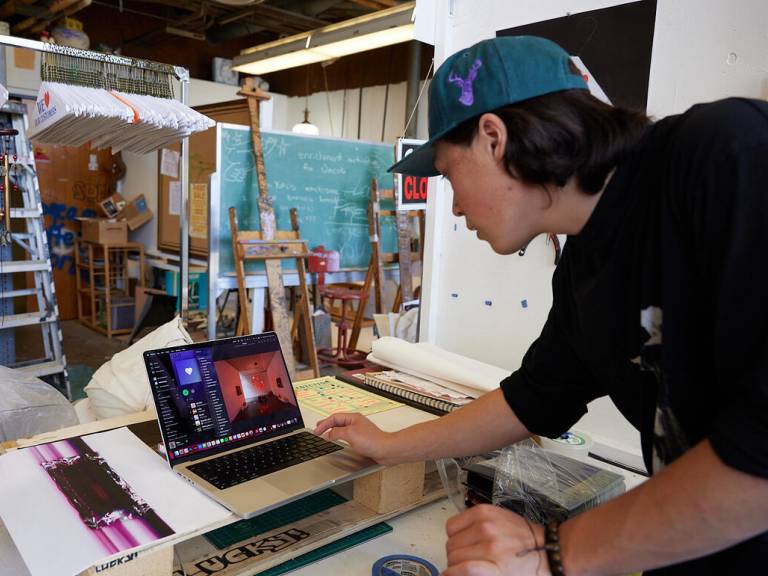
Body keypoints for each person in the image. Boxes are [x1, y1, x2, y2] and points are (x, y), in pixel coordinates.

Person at [315, 36, 768, 575]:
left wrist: (551, 553)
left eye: (450, 175)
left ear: (492, 139)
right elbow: (534, 397)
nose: (455, 207)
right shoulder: (584, 262)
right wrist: (393, 446)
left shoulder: (725, 154)